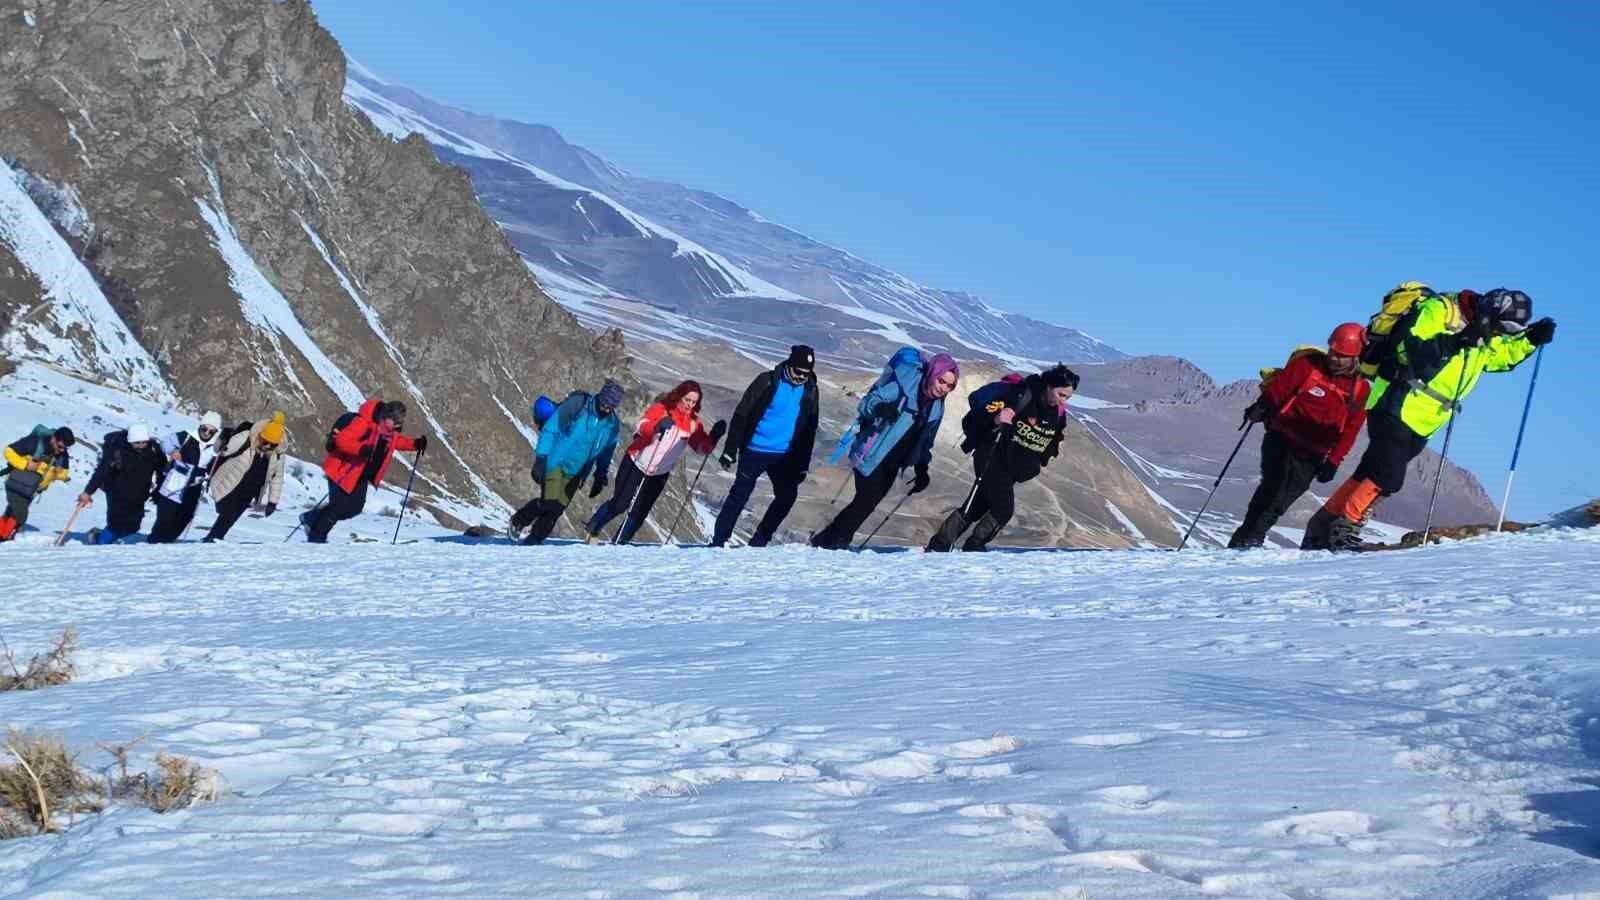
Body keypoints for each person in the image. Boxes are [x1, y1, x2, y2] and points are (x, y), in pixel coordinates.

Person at [1303, 288, 1555, 550]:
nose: (1500, 335)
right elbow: (1407, 349)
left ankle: (1320, 529)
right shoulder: (1440, 310)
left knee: (1370, 470)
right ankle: (1343, 531)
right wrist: (1456, 341)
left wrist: (1531, 340)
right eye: (1501, 328)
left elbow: (1498, 359)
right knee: (1388, 477)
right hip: (1397, 400)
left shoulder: (1488, 331)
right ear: (1490, 313)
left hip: (1427, 418)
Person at [1228, 325, 1370, 549]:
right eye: (1333, 351)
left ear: (1355, 358)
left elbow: (1350, 430)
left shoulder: (1361, 390)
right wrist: (1261, 407)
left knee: (1286, 496)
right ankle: (1250, 538)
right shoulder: (1307, 365)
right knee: (1273, 487)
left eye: (1342, 356)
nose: (1334, 358)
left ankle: (1248, 536)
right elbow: (1279, 390)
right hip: (1281, 437)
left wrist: (1333, 462)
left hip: (1314, 453)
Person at [811, 349, 960, 550]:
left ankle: (827, 539)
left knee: (867, 503)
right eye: (941, 381)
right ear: (932, 374)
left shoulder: (936, 408)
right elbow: (868, 403)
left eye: (949, 386)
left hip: (894, 463)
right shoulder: (904, 386)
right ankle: (836, 542)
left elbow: (926, 441)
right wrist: (880, 409)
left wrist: (921, 468)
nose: (944, 388)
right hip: (871, 453)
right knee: (866, 500)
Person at [927, 364, 1077, 552]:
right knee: (1003, 510)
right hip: (992, 458)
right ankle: (974, 546)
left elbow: (1055, 436)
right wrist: (997, 419)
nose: (1063, 400)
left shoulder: (1057, 412)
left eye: (1067, 397)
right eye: (1061, 394)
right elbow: (981, 415)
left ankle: (939, 544)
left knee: (975, 506)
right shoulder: (1020, 395)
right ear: (1048, 385)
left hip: (1014, 468)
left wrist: (1041, 459)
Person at [585, 381, 725, 545]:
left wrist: (713, 437)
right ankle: (593, 528)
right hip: (636, 461)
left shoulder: (693, 423)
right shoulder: (662, 409)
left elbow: (701, 448)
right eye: (687, 400)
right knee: (620, 503)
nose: (690, 405)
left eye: (694, 402)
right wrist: (657, 426)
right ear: (679, 395)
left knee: (639, 512)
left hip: (659, 473)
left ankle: (620, 543)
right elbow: (641, 426)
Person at [711, 345, 820, 548]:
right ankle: (718, 542)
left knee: (787, 496)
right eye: (798, 372)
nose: (801, 377)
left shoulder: (810, 389)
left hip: (784, 455)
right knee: (739, 495)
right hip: (754, 450)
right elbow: (742, 414)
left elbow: (809, 429)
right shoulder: (767, 381)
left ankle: (760, 541)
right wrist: (730, 450)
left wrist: (803, 463)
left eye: (806, 373)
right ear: (789, 364)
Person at [512, 379, 623, 545]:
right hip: (556, 462)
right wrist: (541, 457)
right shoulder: (579, 405)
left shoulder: (612, 425)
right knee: (549, 502)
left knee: (556, 510)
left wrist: (600, 475)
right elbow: (552, 427)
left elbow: (606, 451)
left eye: (612, 405)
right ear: (601, 396)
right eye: (606, 402)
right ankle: (519, 520)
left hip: (577, 472)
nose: (607, 407)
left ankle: (534, 542)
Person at [305, 400, 426, 543]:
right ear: (386, 416)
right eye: (395, 421)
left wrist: (415, 444)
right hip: (344, 470)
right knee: (338, 507)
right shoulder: (363, 423)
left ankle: (312, 518)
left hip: (361, 476)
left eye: (400, 423)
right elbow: (342, 441)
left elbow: (398, 442)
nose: (398, 426)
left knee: (355, 509)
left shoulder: (390, 433)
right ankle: (317, 538)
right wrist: (360, 449)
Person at [204, 412, 287, 542]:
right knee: (225, 513)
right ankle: (213, 538)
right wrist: (223, 439)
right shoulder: (246, 437)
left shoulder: (278, 453)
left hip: (250, 491)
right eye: (265, 442)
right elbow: (221, 450)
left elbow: (277, 477)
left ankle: (213, 539)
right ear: (260, 436)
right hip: (231, 482)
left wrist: (273, 502)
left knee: (230, 518)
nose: (268, 447)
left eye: (273, 445)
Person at [79, 422, 166, 544]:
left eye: (144, 442)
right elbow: (103, 470)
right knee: (115, 524)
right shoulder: (117, 450)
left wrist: (158, 491)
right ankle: (100, 545)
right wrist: (88, 492)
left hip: (139, 492)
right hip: (116, 490)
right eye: (137, 443)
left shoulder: (153, 450)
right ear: (130, 441)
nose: (141, 446)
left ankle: (99, 536)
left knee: (133, 527)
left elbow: (161, 470)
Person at [147, 411, 222, 543]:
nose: (207, 433)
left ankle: (167, 542)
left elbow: (215, 465)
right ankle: (153, 542)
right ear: (200, 426)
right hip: (175, 482)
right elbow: (165, 442)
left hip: (194, 486)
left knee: (185, 517)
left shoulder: (216, 446)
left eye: (212, 431)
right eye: (204, 429)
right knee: (165, 517)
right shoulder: (186, 436)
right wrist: (173, 451)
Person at [0, 426, 74, 541]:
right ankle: (5, 538)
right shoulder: (33, 443)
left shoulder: (62, 455)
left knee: (12, 511)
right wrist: (25, 464)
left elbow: (64, 472)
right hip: (16, 483)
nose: (62, 450)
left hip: (32, 489)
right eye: (60, 447)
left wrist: (58, 473)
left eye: (65, 448)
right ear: (53, 439)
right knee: (20, 515)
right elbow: (8, 451)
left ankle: (2, 533)